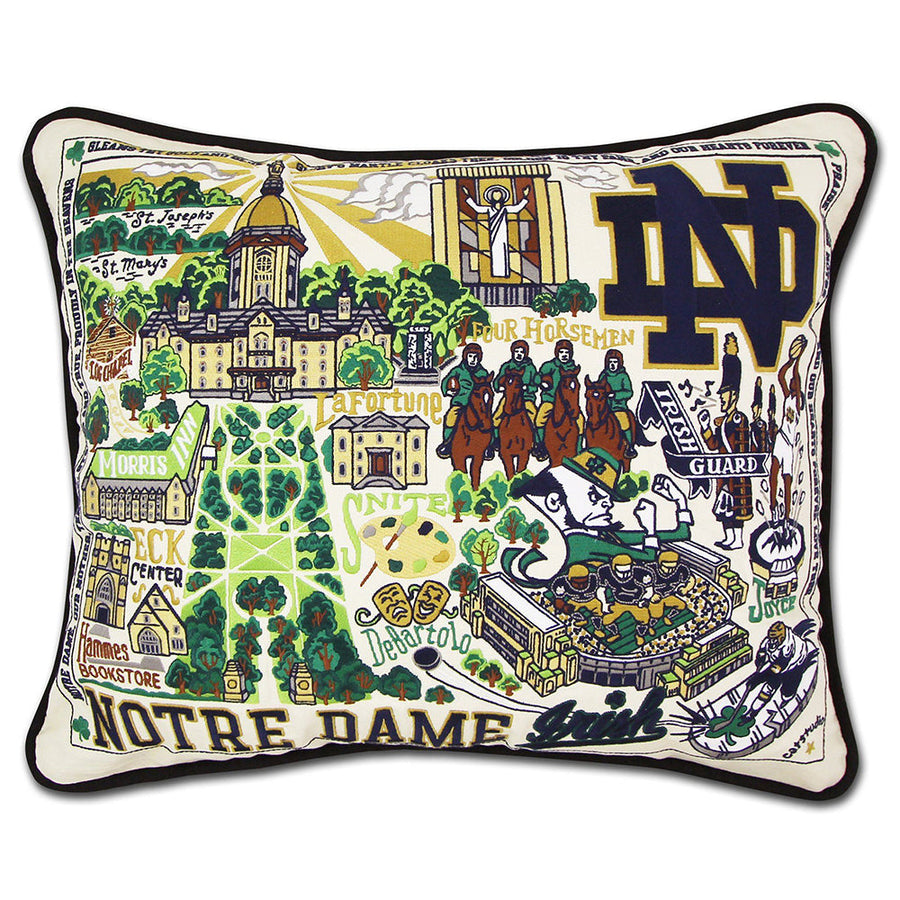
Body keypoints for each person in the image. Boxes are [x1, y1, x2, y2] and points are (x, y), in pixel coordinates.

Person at [506, 446, 694, 586]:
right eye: (594, 496)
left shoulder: (594, 533)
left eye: (608, 498)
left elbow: (680, 534)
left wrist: (680, 501)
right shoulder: (577, 542)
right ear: (555, 502)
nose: (608, 504)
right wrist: (650, 529)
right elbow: (648, 557)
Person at [699, 333, 753, 550]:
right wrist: (705, 427)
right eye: (721, 395)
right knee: (724, 509)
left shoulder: (739, 419)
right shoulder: (722, 421)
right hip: (724, 473)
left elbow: (740, 447)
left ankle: (737, 539)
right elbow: (713, 445)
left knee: (736, 508)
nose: (721, 398)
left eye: (725, 394)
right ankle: (729, 537)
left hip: (736, 474)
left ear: (734, 396)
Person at [744, 620, 818, 718]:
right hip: (777, 664)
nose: (772, 642)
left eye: (774, 639)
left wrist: (758, 678)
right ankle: (752, 712)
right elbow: (762, 652)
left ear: (781, 638)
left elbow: (778, 667)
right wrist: (760, 660)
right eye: (771, 638)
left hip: (794, 666)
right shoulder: (768, 641)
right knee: (766, 688)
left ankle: (786, 700)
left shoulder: (788, 646)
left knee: (787, 690)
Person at [770, 335, 807, 520]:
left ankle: (787, 515)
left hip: (790, 444)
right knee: (773, 471)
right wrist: (791, 359)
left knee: (787, 480)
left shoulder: (798, 403)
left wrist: (799, 359)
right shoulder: (788, 397)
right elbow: (781, 376)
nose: (792, 382)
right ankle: (772, 505)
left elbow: (796, 377)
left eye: (794, 382)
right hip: (781, 436)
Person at [462, 184, 530, 278]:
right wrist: (468, 196)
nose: (497, 196)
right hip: (493, 233)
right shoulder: (489, 209)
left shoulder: (505, 209)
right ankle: (497, 273)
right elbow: (477, 208)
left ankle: (504, 273)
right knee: (495, 251)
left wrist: (525, 197)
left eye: (498, 194)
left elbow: (517, 208)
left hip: (503, 234)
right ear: (491, 197)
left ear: (502, 196)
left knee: (504, 251)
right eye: (495, 194)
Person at [437, 343, 489, 458]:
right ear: (466, 356)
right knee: (450, 418)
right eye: (470, 356)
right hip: (461, 403)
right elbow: (445, 382)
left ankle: (488, 446)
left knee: (488, 421)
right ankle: (448, 443)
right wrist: (448, 391)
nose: (473, 360)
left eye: (475, 357)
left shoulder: (483, 372)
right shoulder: (458, 371)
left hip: (478, 405)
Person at [493, 340, 543, 457]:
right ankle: (495, 441)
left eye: (522, 352)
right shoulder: (506, 366)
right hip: (509, 398)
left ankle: (538, 443)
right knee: (496, 417)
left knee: (534, 417)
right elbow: (497, 381)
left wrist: (527, 388)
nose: (519, 354)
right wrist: (499, 386)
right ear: (513, 352)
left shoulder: (530, 368)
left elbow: (536, 384)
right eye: (517, 351)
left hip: (526, 398)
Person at [534, 340, 582, 453]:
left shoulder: (572, 368)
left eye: (567, 352)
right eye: (561, 352)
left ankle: (579, 448)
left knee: (580, 420)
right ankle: (540, 445)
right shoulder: (549, 366)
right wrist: (542, 382)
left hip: (568, 403)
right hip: (550, 400)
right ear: (557, 353)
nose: (564, 355)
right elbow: (537, 377)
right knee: (539, 419)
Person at [599, 349, 638, 458]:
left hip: (618, 407)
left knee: (623, 421)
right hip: (604, 407)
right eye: (610, 362)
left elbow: (629, 392)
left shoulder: (623, 376)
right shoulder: (604, 375)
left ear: (619, 363)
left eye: (615, 362)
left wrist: (615, 395)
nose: (612, 364)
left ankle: (630, 446)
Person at [648, 549, 694, 625]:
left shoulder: (681, 569)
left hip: (668, 596)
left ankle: (668, 617)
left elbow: (691, 579)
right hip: (655, 598)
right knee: (656, 614)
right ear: (659, 564)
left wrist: (686, 588)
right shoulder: (650, 570)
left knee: (681, 605)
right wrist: (651, 596)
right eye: (667, 567)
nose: (670, 570)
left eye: (673, 568)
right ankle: (650, 626)